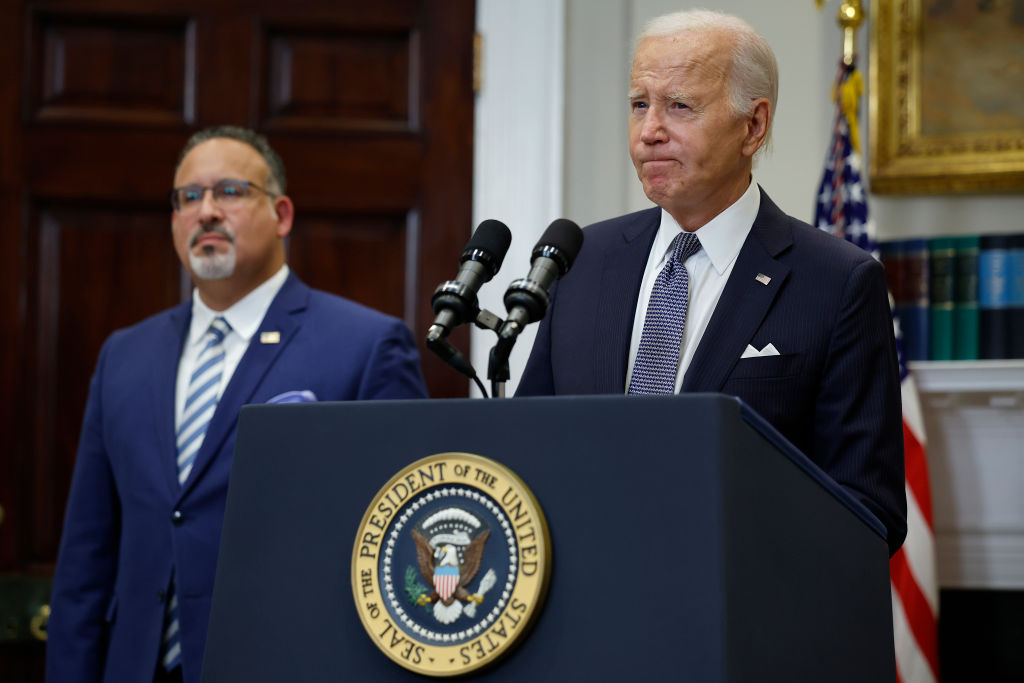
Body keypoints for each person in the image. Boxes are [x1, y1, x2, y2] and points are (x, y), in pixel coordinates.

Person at [46, 126, 428, 683]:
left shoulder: (366, 346)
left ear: (282, 214)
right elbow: (87, 555)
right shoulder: (125, 355)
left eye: (229, 191)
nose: (206, 211)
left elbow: (399, 547)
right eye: (188, 197)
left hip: (287, 664)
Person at [517, 10, 906, 555]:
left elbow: (868, 510)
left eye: (679, 106)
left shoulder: (837, 282)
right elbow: (528, 451)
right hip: (585, 605)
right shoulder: (584, 259)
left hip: (739, 617)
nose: (650, 131)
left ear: (754, 126)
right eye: (639, 105)